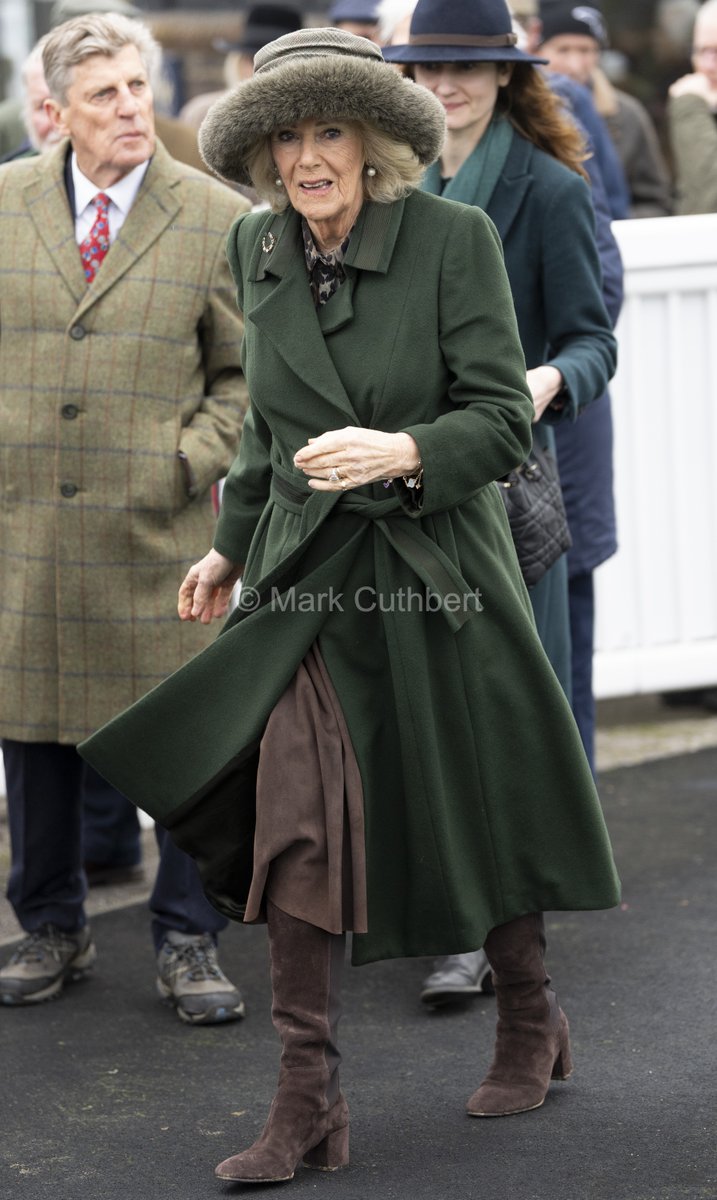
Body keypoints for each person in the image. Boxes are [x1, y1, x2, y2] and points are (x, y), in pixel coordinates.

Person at [80, 24, 620, 1183]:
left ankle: (530, 1016)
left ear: (373, 143)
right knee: (298, 826)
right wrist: (229, 550)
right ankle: (308, 1097)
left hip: (435, 580)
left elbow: (499, 413)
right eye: (285, 135)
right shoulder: (257, 250)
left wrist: (403, 450)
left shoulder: (453, 239)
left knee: (482, 802)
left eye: (328, 129)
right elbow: (271, 432)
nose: (305, 156)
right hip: (305, 581)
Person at [0, 12, 250, 1025]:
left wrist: (182, 462)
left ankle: (189, 937)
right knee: (37, 738)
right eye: (107, 94)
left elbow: (246, 377)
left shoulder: (216, 214)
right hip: (27, 534)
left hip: (160, 533)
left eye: (140, 88)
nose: (132, 110)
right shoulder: (5, 203)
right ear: (56, 110)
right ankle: (50, 925)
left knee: (184, 741)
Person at [384, 0, 617, 1005]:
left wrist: (542, 382)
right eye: (428, 70)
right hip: (412, 484)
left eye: (467, 68)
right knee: (434, 708)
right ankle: (455, 915)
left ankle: (498, 940)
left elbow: (594, 341)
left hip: (513, 485)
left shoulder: (551, 187)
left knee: (511, 710)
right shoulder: (401, 183)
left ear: (507, 73)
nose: (444, 87)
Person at [536, 0, 673, 217]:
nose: (575, 65)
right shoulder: (518, 112)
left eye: (586, 50)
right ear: (538, 49)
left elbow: (655, 201)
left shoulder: (626, 114)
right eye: (563, 50)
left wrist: (610, 226)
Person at [179, 4, 302, 133]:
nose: (261, 70)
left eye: (275, 62)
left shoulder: (309, 119)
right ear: (239, 62)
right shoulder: (202, 115)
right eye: (253, 60)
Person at [669, 0, 717, 214]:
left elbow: (710, 197)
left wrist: (689, 108)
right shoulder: (702, 102)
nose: (708, 66)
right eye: (701, 51)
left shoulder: (692, 102)